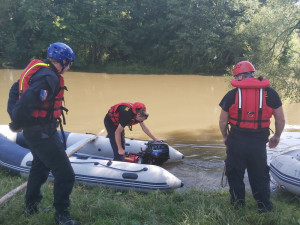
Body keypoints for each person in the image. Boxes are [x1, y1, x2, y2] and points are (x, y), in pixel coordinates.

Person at [7, 42, 80, 225]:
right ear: (63, 61)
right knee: (65, 174)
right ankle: (62, 216)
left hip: (39, 130)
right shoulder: (48, 77)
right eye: (69, 63)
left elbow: (14, 91)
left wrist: (17, 120)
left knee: (40, 168)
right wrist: (16, 123)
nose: (69, 67)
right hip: (41, 132)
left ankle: (31, 207)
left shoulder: (40, 71)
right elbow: (25, 103)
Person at [218, 61, 285, 212]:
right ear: (253, 74)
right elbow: (280, 119)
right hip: (258, 142)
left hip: (236, 140)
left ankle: (237, 206)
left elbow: (222, 121)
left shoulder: (232, 94)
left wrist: (224, 137)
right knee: (259, 174)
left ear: (238, 76)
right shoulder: (270, 93)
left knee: (235, 174)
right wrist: (277, 136)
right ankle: (264, 207)